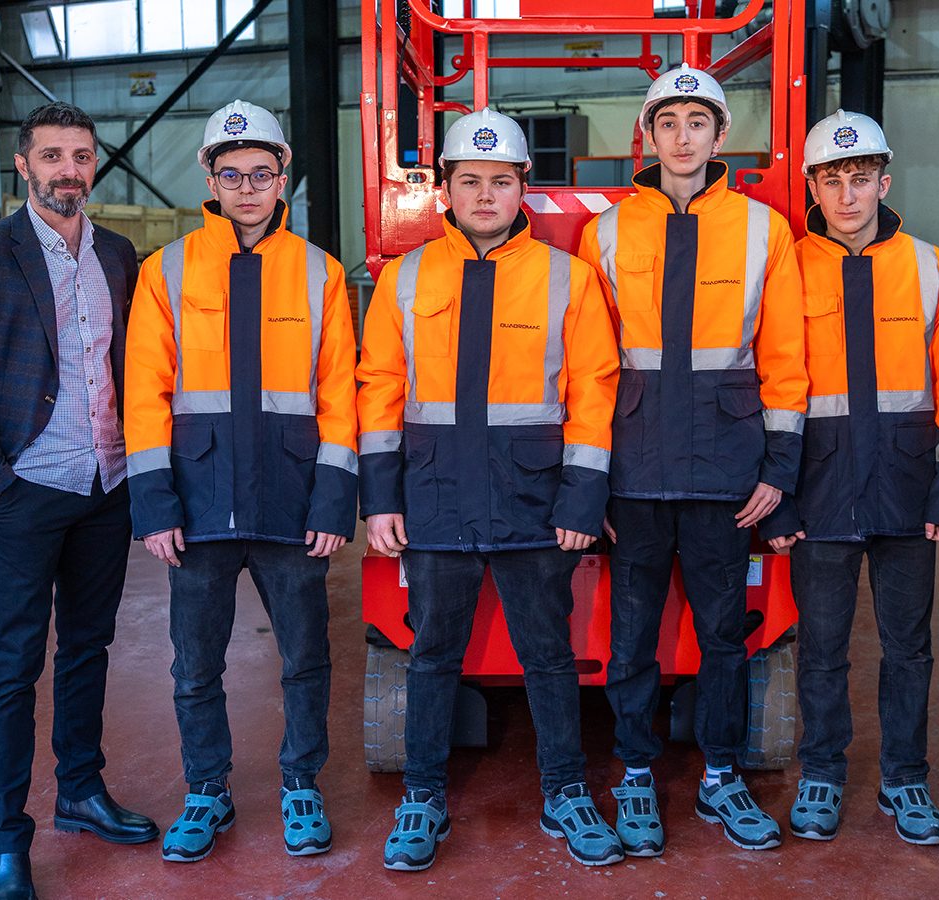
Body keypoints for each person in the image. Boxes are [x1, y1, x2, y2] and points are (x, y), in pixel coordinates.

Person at [357, 107, 622, 871]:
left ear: (522, 190)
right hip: (434, 498)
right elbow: (380, 389)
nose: (484, 194)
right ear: (443, 188)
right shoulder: (405, 279)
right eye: (468, 180)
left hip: (536, 502)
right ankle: (422, 796)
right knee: (432, 653)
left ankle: (566, 792)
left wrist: (582, 500)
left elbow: (594, 393)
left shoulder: (569, 278)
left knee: (548, 654)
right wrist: (381, 498)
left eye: (500, 181)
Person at [0, 101, 158, 900]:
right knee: (14, 663)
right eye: (52, 155)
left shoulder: (121, 255)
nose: (69, 169)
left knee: (89, 647)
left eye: (82, 156)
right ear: (22, 165)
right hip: (26, 488)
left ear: (96, 166)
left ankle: (83, 793)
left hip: (106, 485)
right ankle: (5, 840)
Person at [574, 64, 806, 855]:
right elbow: (591, 364)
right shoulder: (602, 230)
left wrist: (779, 466)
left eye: (696, 122)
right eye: (666, 122)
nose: (681, 137)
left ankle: (721, 776)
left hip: (726, 471)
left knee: (722, 636)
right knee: (631, 634)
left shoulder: (762, 229)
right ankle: (636, 773)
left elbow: (783, 355)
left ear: (720, 135)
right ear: (648, 135)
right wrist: (590, 477)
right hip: (633, 469)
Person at [121, 99, 358, 864]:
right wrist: (154, 505)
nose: (249, 187)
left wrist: (332, 500)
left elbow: (339, 398)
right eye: (233, 174)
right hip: (196, 505)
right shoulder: (167, 271)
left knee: (306, 659)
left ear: (283, 174)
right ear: (209, 178)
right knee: (195, 665)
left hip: (293, 508)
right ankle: (206, 789)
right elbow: (144, 395)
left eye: (262, 172)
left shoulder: (320, 272)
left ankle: (300, 783)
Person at [757, 110, 939, 846]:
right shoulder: (786, 265)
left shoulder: (931, 267)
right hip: (819, 488)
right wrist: (778, 494)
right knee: (821, 645)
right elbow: (774, 383)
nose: (847, 194)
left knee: (909, 645)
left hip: (909, 487)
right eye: (831, 179)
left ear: (884, 180)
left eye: (859, 177)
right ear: (813, 187)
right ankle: (821, 772)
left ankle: (905, 779)